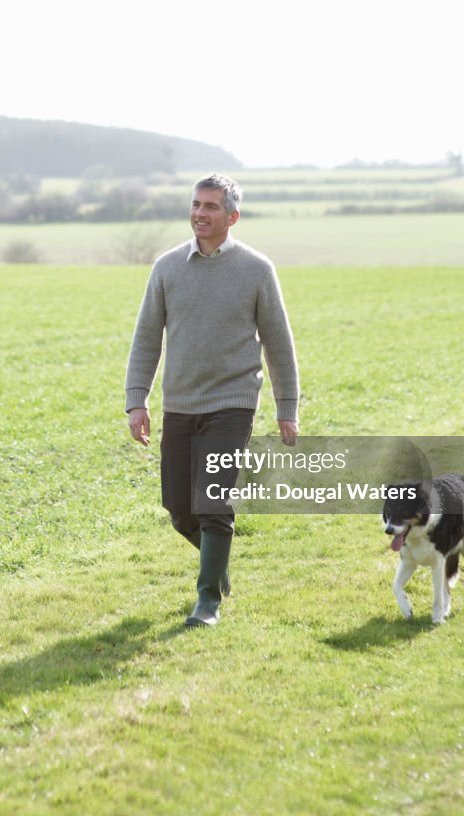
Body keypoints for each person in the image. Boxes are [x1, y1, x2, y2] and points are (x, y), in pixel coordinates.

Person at [125, 173, 299, 627]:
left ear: (232, 216)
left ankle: (207, 600)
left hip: (233, 401)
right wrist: (136, 400)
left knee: (213, 500)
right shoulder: (166, 268)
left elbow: (278, 343)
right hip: (180, 402)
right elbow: (147, 338)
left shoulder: (256, 270)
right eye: (196, 204)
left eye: (211, 207)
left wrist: (287, 408)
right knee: (180, 508)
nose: (200, 213)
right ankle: (216, 565)